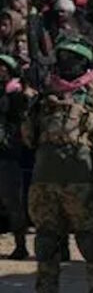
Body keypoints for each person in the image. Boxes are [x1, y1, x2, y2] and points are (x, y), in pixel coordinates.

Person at [16, 37, 93, 293]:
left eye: (72, 57)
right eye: (62, 56)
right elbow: (29, 138)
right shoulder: (46, 95)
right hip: (45, 181)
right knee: (46, 244)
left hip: (81, 183)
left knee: (92, 246)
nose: (65, 63)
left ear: (84, 61)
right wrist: (31, 105)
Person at [0, 53, 30, 260]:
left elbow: (21, 117)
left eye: (3, 67)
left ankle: (21, 245)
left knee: (12, 202)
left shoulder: (16, 94)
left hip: (7, 153)